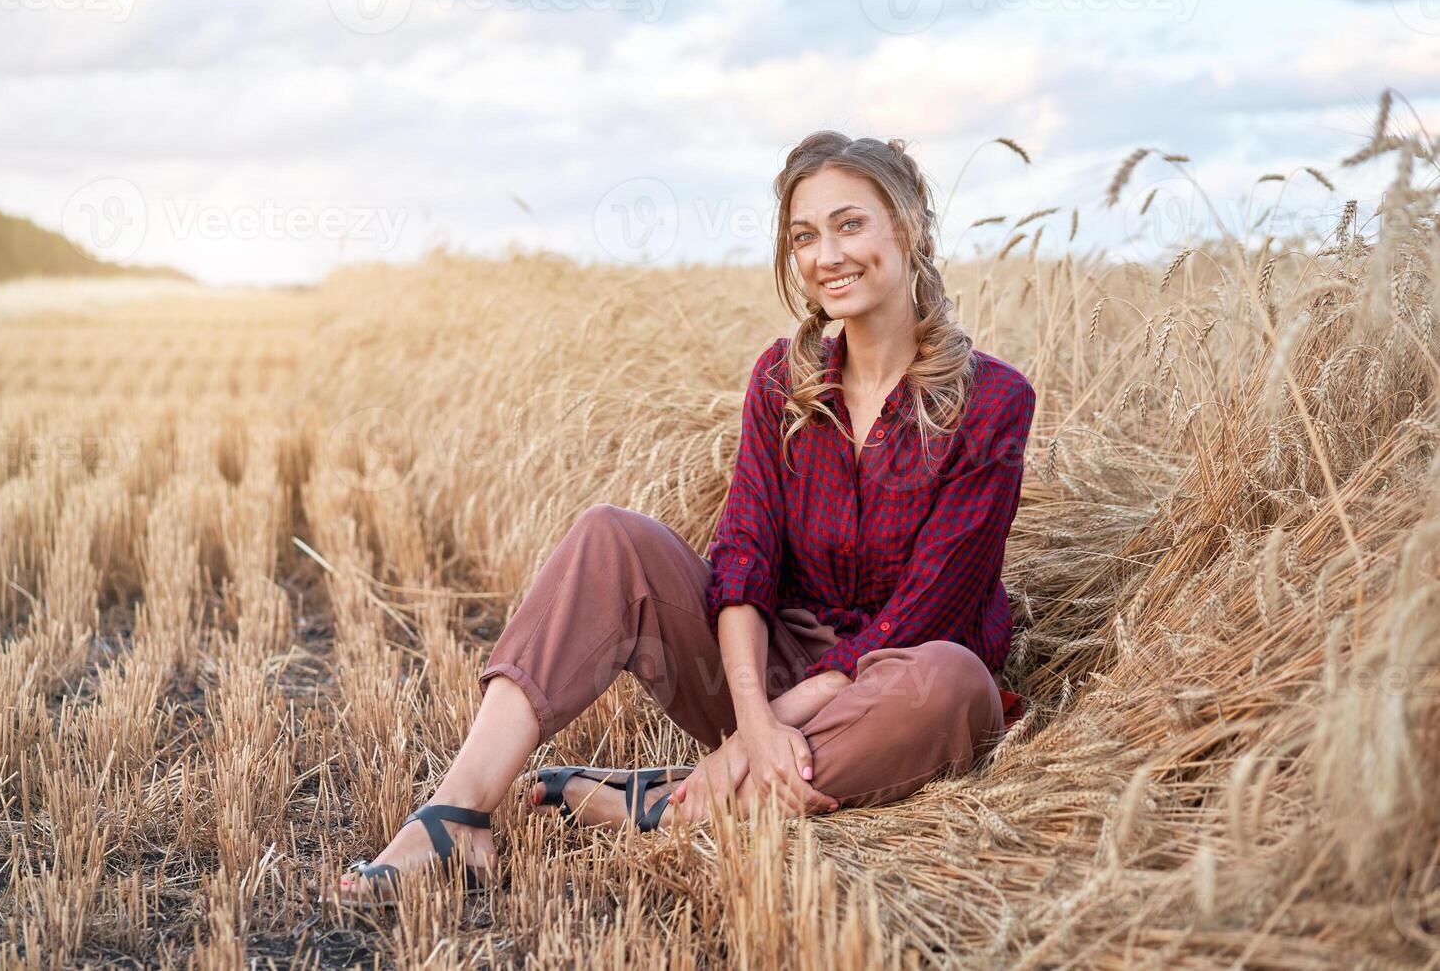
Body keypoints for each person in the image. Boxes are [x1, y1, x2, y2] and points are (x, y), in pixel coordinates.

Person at [336, 131, 1035, 904]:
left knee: (952, 680)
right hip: (768, 673)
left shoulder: (994, 402)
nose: (827, 254)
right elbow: (743, 559)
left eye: (850, 224)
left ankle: (665, 804)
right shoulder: (783, 379)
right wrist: (751, 722)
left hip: (892, 692)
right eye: (804, 236)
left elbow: (923, 613)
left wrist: (743, 748)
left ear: (908, 228)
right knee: (610, 536)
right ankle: (454, 815)